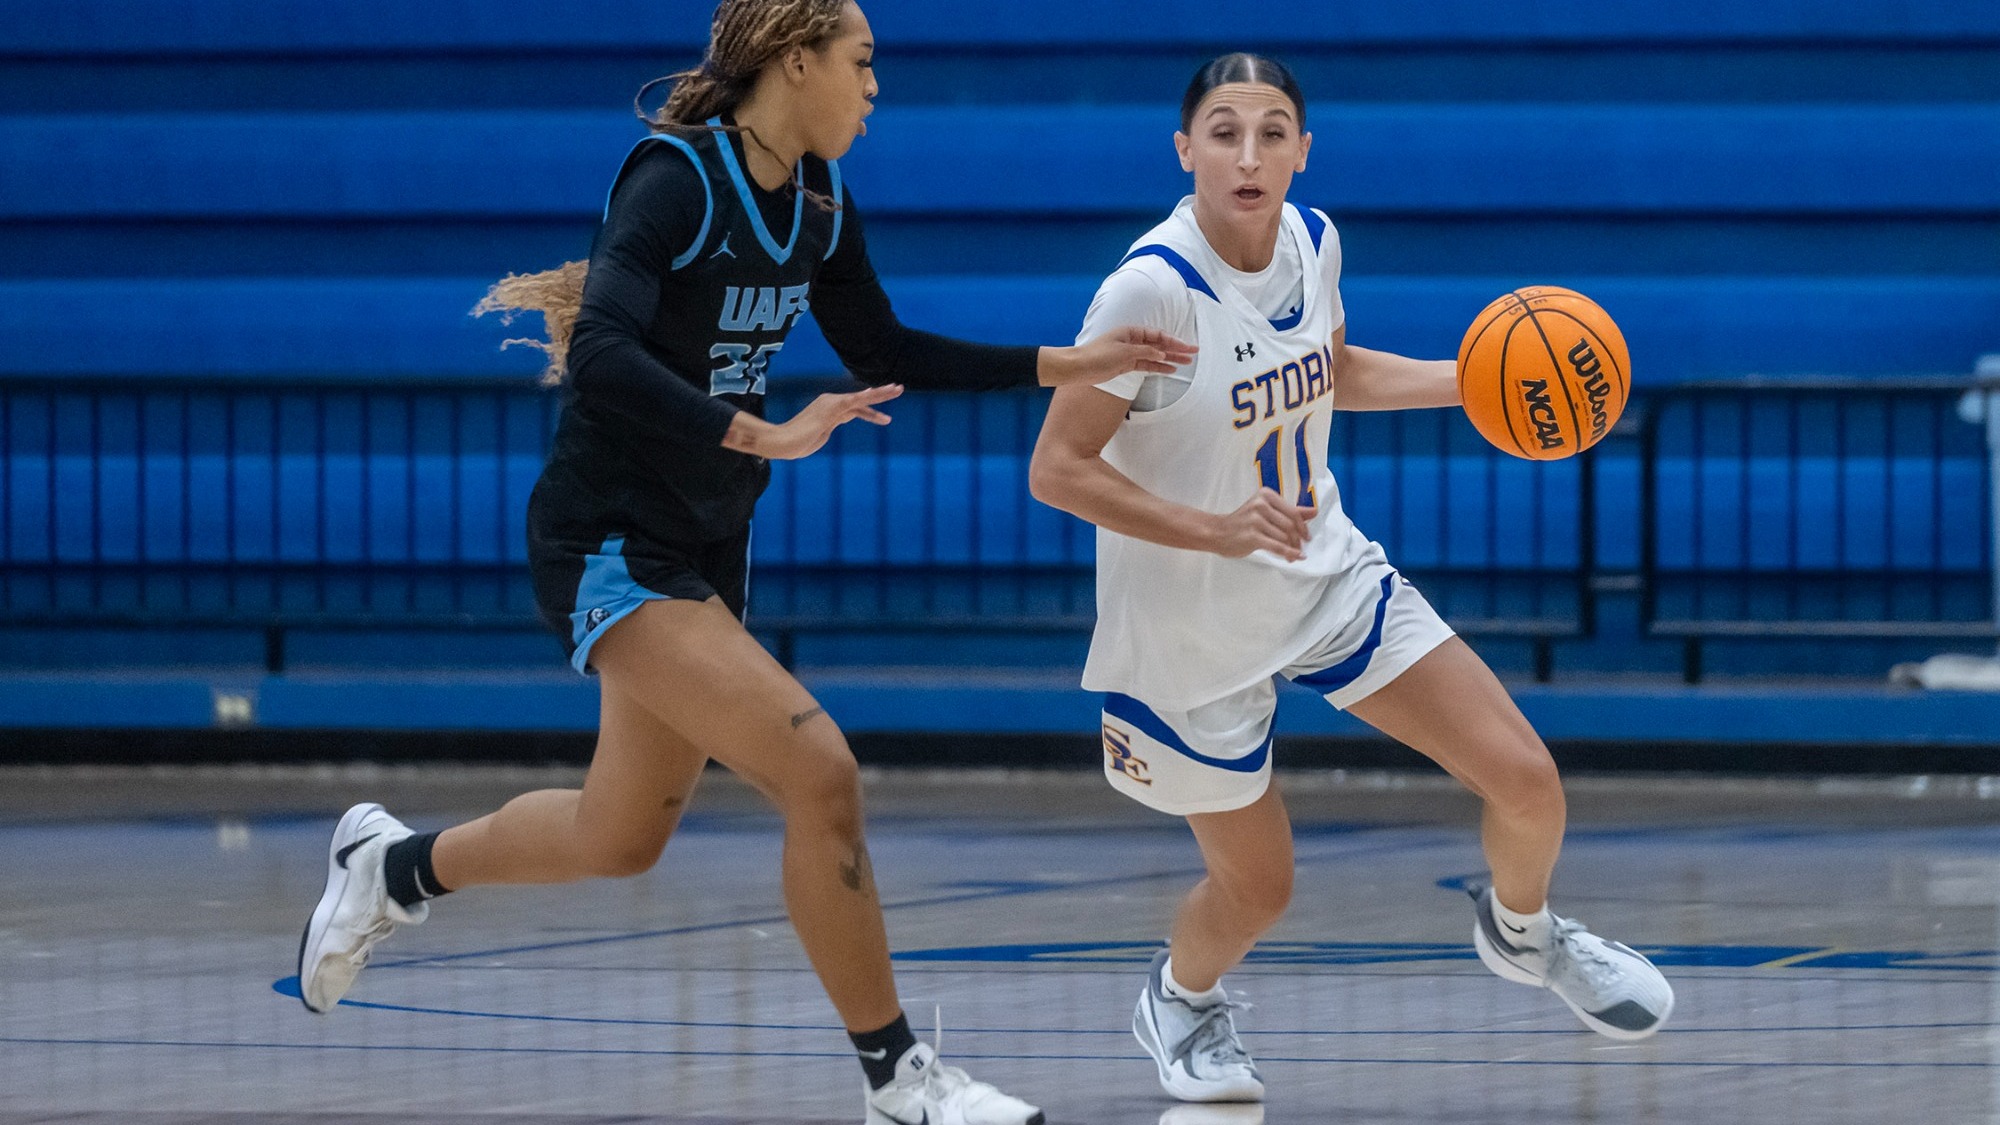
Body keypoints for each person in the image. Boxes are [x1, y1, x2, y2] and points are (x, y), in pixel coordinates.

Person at [293, 4, 1192, 1124]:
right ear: (795, 60)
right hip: (611, 540)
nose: (874, 86)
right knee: (821, 772)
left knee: (618, 835)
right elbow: (602, 352)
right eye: (861, 63)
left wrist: (1071, 362)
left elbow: (883, 349)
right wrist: (754, 431)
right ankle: (897, 1078)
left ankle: (390, 869)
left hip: (706, 540)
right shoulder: (673, 179)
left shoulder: (819, 200)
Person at [1029, 52, 1674, 1105]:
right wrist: (1211, 528)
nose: (1248, 155)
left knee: (1526, 781)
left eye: (1271, 132)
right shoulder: (1152, 290)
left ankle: (1524, 933)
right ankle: (1180, 999)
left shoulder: (1312, 240)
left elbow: (1332, 369)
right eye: (1224, 132)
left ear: (1302, 151)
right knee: (1259, 890)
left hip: (1320, 575)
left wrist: (1480, 383)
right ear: (1184, 150)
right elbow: (1056, 468)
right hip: (1188, 628)